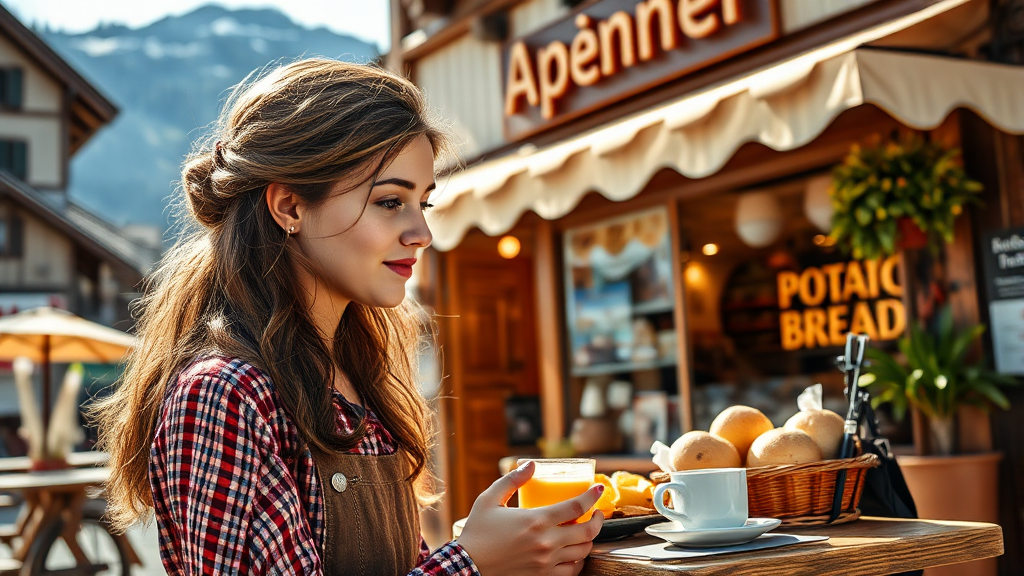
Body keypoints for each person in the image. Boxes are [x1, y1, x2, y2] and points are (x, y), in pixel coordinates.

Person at [89, 59, 605, 575]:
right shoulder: (227, 396)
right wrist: (471, 563)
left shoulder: (358, 380)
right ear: (289, 206)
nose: (420, 233)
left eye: (422, 203)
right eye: (388, 201)